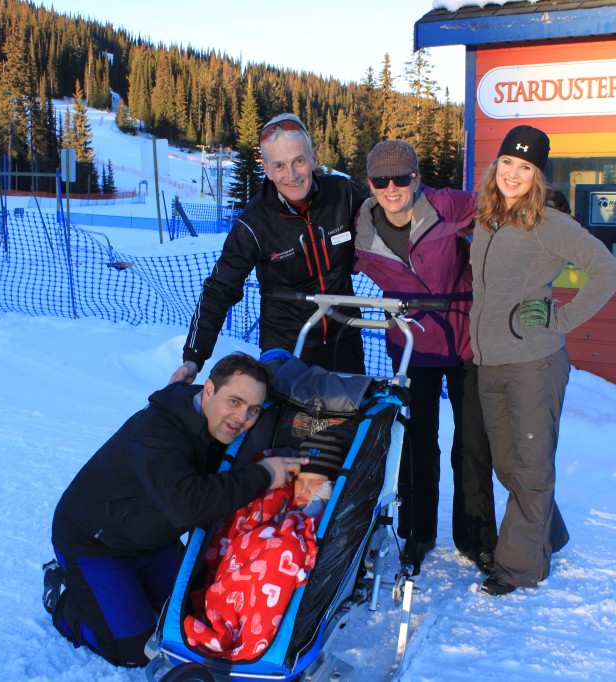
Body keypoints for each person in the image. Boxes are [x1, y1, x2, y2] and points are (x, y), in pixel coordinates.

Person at [43, 352, 309, 667]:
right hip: (95, 541)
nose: (242, 418)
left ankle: (129, 591)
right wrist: (264, 475)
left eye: (252, 409)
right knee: (134, 650)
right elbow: (190, 506)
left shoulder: (213, 419)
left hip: (151, 537)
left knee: (195, 612)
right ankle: (63, 595)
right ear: (208, 390)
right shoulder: (158, 431)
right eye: (234, 402)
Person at [470, 125, 616, 596]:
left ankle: (519, 568)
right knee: (509, 467)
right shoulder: (488, 217)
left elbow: (608, 270)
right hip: (490, 362)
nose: (514, 174)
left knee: (532, 469)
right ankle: (547, 535)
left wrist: (560, 317)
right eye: (508, 164)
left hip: (534, 363)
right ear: (496, 166)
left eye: (526, 167)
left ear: (538, 175)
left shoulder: (549, 223)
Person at [353, 140, 497, 575]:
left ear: (416, 178)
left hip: (466, 340)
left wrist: (546, 209)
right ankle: (417, 533)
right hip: (412, 343)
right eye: (381, 180)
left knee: (473, 445)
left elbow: (499, 209)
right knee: (418, 443)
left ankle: (476, 537)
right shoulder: (362, 228)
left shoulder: (446, 206)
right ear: (370, 183)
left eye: (401, 178)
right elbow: (329, 263)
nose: (392, 187)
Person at [169, 113, 366, 385]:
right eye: (280, 165)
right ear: (267, 169)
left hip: (344, 338)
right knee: (287, 426)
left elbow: (384, 229)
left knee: (350, 422)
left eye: (299, 161)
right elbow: (220, 288)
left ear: (314, 157)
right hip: (285, 347)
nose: (292, 175)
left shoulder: (343, 194)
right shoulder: (255, 222)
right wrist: (194, 356)